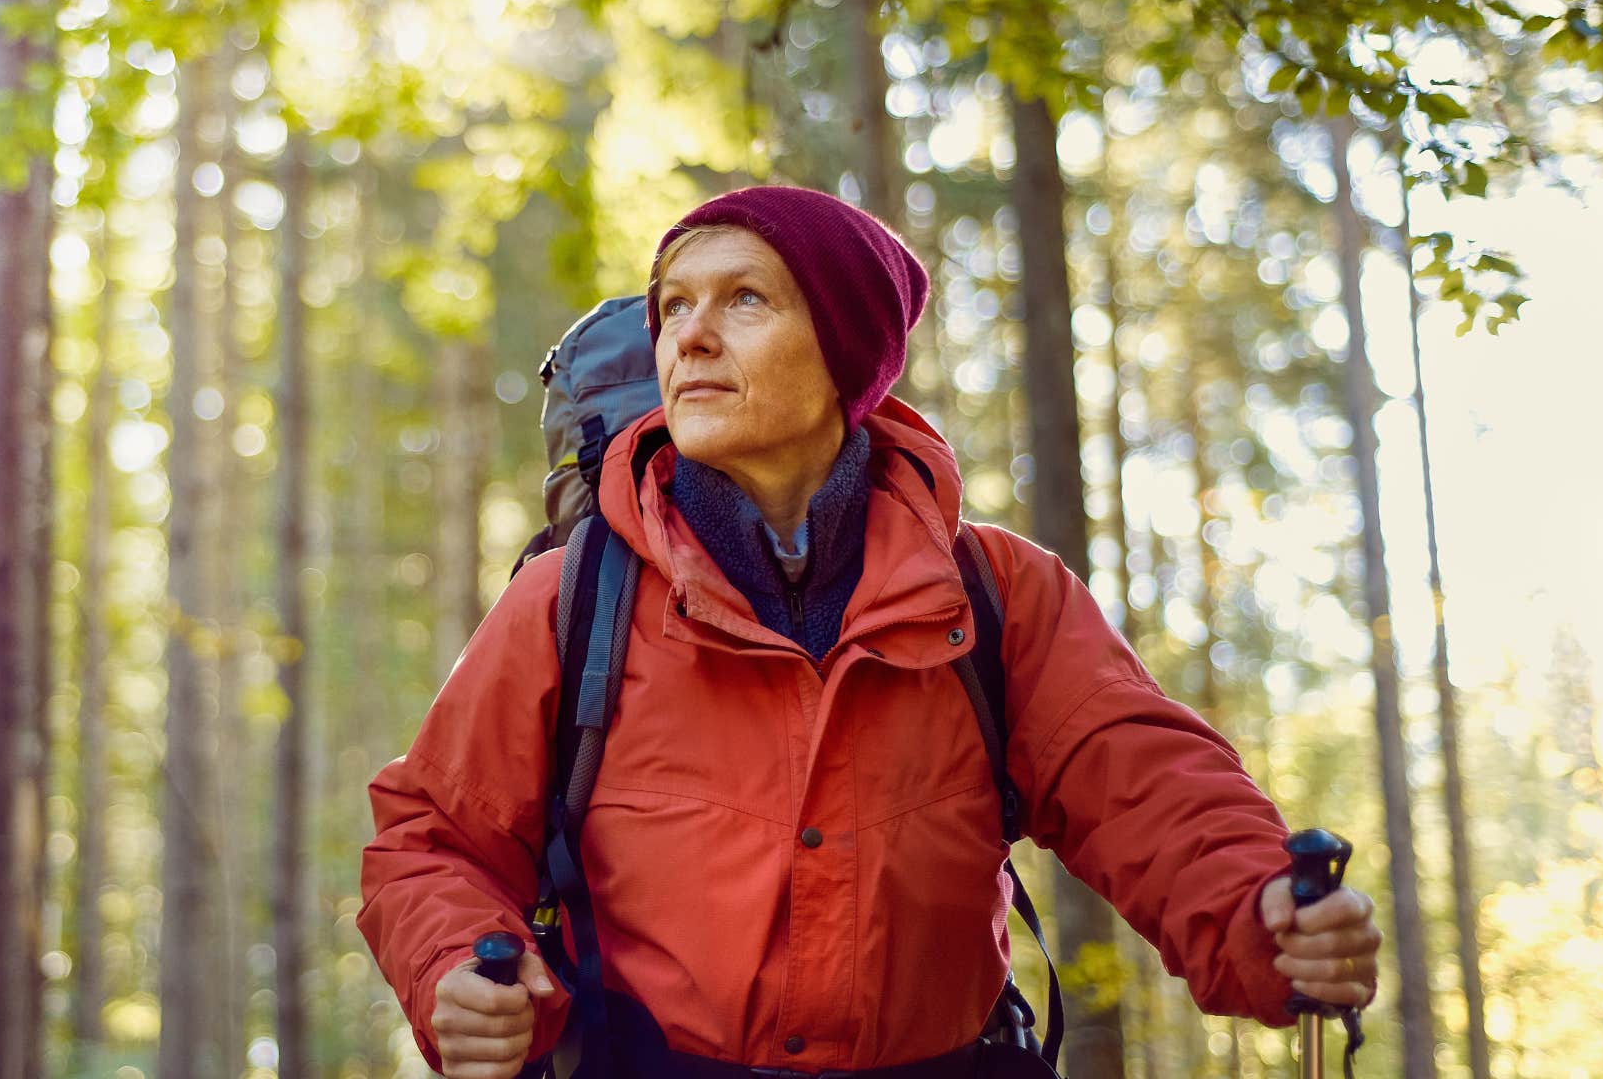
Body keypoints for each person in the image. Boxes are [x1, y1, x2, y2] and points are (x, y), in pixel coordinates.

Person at [357, 186, 1382, 1079]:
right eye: (674, 307)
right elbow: (432, 841)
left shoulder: (996, 590)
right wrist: (459, 968)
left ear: (847, 349)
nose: (689, 337)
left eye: (744, 299)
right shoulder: (570, 599)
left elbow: (1146, 787)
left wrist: (1259, 914)